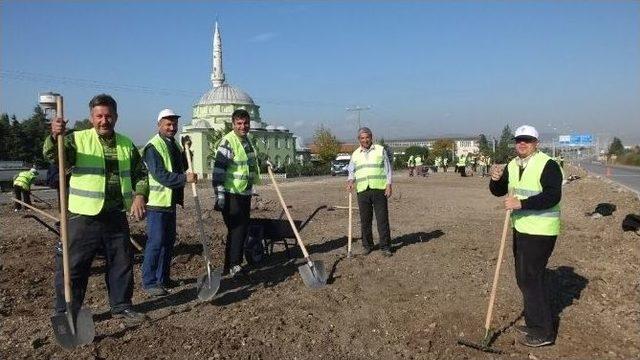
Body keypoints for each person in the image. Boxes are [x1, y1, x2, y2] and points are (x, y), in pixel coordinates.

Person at [43, 94, 148, 323]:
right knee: (74, 266)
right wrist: (55, 136)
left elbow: (140, 173)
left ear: (116, 117)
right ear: (91, 118)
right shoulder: (76, 140)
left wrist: (140, 195)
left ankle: (121, 305)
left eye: (108, 116)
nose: (104, 120)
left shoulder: (126, 143)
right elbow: (53, 155)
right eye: (99, 116)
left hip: (115, 214)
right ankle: (65, 312)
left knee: (121, 263)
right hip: (83, 215)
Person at [489, 125, 562, 347]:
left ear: (536, 143)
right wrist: (495, 178)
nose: (522, 143)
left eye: (527, 140)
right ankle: (534, 322)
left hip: (541, 231)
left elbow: (552, 195)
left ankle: (544, 332)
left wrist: (521, 203)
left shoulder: (548, 165)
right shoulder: (513, 164)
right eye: (519, 139)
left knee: (532, 278)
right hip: (520, 228)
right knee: (523, 278)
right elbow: (498, 191)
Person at [141, 109, 197, 296]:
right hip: (157, 203)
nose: (172, 127)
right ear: (159, 125)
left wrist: (188, 150)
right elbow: (161, 175)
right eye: (168, 124)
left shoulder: (173, 145)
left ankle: (163, 278)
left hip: (170, 202)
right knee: (156, 242)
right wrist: (184, 179)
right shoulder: (153, 147)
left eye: (174, 124)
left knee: (168, 242)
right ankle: (149, 282)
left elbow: (182, 165)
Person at [212, 109, 261, 276]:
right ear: (233, 124)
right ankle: (235, 265)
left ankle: (229, 265)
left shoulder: (246, 141)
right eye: (239, 123)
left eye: (245, 123)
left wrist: (264, 161)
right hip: (231, 193)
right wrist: (219, 195)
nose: (243, 126)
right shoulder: (228, 142)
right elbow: (219, 170)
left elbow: (249, 163)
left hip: (244, 192)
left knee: (238, 229)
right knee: (238, 228)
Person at [347, 127, 393, 257]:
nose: (365, 140)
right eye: (362, 138)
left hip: (379, 189)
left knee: (382, 219)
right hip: (362, 190)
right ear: (359, 140)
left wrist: (389, 185)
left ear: (371, 137)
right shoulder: (355, 154)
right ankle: (367, 245)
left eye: (367, 137)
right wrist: (350, 181)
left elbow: (387, 169)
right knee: (365, 220)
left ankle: (385, 246)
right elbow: (351, 170)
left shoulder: (380, 150)